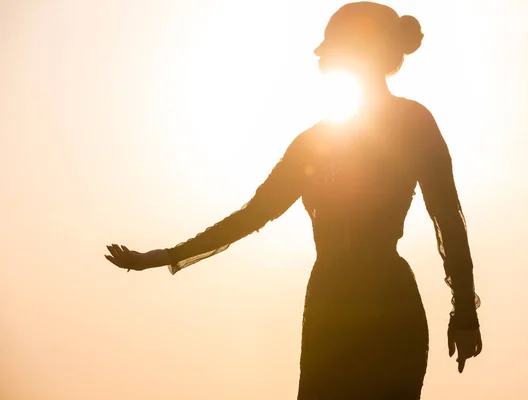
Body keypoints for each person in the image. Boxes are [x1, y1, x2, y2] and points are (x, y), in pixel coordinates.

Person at [105, 2, 482, 398]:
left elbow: (447, 217)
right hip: (331, 309)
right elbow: (254, 214)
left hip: (379, 305)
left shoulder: (409, 123)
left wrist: (465, 312)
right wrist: (166, 256)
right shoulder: (315, 141)